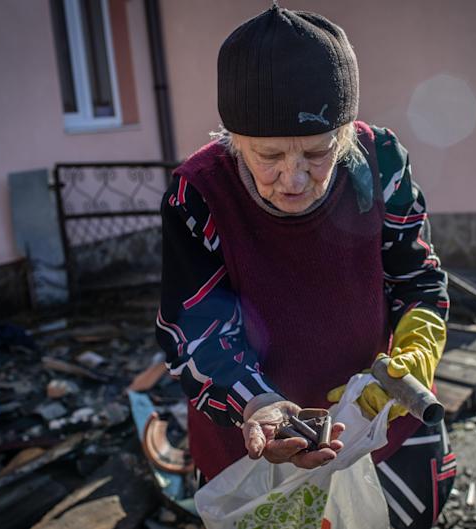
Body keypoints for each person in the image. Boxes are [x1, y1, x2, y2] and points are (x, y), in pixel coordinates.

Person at [156, 4, 455, 528]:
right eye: (268, 157)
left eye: (317, 154)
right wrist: (257, 403)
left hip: (379, 422)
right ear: (232, 141)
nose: (293, 180)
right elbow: (195, 331)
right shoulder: (199, 193)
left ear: (343, 135)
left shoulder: (379, 161)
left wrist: (417, 348)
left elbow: (418, 282)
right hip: (251, 449)